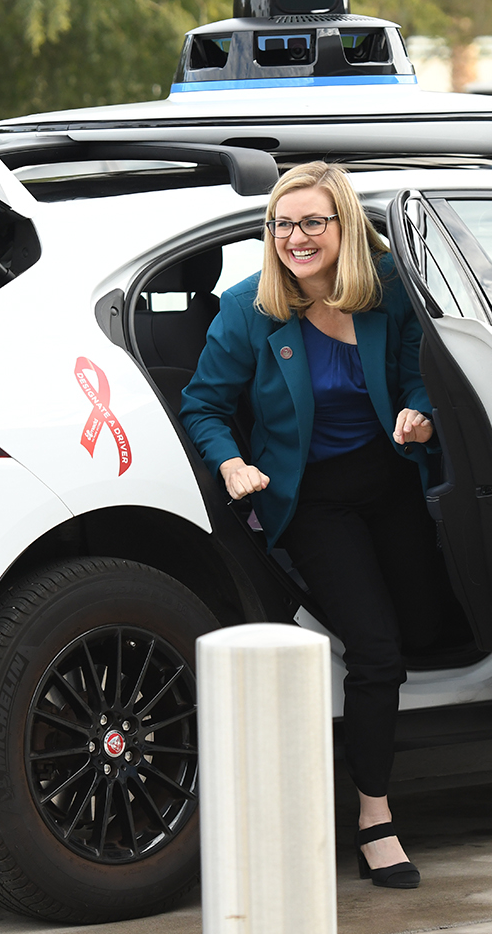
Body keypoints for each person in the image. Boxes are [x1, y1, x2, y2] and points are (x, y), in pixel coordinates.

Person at [180, 160, 463, 890]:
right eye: (282, 224)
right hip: (311, 501)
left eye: (312, 222)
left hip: (392, 484)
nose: (295, 237)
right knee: (377, 652)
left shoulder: (389, 289)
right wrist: (231, 463)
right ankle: (375, 819)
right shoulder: (250, 308)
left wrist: (418, 410)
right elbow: (203, 405)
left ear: (344, 226)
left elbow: (413, 372)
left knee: (434, 627)